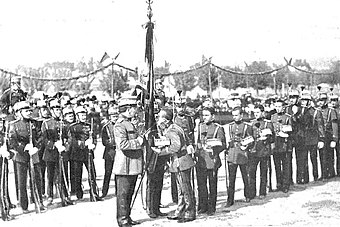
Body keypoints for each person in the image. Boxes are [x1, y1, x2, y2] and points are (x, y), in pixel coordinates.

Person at [152, 108, 196, 223]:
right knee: (181, 189)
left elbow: (176, 146)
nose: (158, 119)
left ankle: (189, 213)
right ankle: (180, 211)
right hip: (180, 161)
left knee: (185, 189)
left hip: (181, 162)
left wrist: (161, 151)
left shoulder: (172, 130)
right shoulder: (174, 127)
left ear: (166, 120)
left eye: (161, 117)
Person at [8, 101, 46, 213]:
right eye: (26, 111)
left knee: (37, 179)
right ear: (19, 112)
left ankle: (38, 201)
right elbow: (12, 141)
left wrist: (36, 148)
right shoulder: (14, 125)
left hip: (34, 155)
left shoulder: (35, 123)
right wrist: (23, 147)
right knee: (22, 181)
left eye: (30, 110)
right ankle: (24, 205)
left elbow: (41, 137)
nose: (29, 113)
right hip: (21, 156)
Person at [113, 96, 144, 227]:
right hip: (124, 166)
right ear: (128, 109)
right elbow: (123, 144)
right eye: (133, 108)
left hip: (132, 165)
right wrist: (139, 142)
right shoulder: (119, 125)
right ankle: (123, 220)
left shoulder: (131, 123)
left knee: (129, 193)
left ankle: (127, 216)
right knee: (123, 195)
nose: (135, 110)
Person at [40, 99, 74, 206]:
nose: (58, 111)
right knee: (50, 176)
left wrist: (65, 147)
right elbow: (44, 139)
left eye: (59, 109)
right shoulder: (46, 123)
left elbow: (70, 137)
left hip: (62, 153)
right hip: (50, 153)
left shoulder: (64, 123)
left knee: (63, 174)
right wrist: (54, 145)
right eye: (56, 109)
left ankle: (65, 195)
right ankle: (49, 196)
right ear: (51, 110)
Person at [67, 105, 102, 201]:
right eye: (80, 115)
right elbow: (72, 142)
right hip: (76, 153)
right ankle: (78, 193)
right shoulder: (72, 127)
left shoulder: (89, 125)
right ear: (77, 116)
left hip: (88, 153)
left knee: (92, 173)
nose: (83, 116)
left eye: (84, 114)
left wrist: (93, 144)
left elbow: (94, 137)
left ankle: (94, 193)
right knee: (77, 174)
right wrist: (83, 143)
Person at [195, 106, 226, 215]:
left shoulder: (218, 128)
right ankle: (202, 206)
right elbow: (197, 141)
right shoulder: (199, 127)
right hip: (201, 159)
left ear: (212, 116)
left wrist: (214, 148)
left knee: (212, 184)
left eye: (207, 115)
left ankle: (211, 207)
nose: (205, 117)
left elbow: (223, 145)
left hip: (212, 160)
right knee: (201, 185)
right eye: (203, 115)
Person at [225, 106, 253, 207]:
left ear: (241, 115)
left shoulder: (247, 126)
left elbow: (251, 139)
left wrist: (246, 145)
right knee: (231, 179)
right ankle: (230, 199)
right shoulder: (230, 126)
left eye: (236, 115)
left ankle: (247, 195)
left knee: (245, 176)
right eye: (233, 115)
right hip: (232, 154)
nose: (234, 117)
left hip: (242, 154)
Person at [248, 104, 273, 199]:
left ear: (263, 113)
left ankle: (262, 192)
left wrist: (267, 137)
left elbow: (273, 138)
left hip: (264, 151)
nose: (256, 114)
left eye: (258, 112)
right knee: (252, 173)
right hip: (254, 151)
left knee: (263, 172)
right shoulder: (251, 123)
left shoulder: (267, 123)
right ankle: (252, 193)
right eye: (255, 113)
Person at [299, 91, 325, 182]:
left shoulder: (315, 112)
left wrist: (321, 139)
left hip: (313, 138)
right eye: (302, 100)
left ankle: (315, 176)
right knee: (304, 159)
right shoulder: (300, 110)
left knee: (313, 158)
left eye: (305, 100)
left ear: (309, 101)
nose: (303, 102)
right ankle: (305, 178)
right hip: (303, 139)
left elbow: (320, 126)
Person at [271, 99, 293, 193]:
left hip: (285, 143)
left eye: (279, 106)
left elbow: (291, 130)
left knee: (285, 165)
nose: (277, 108)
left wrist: (285, 133)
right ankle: (279, 184)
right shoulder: (272, 117)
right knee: (277, 165)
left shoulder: (288, 117)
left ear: (283, 107)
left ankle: (285, 185)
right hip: (276, 144)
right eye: (276, 106)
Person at [317, 92, 338, 180]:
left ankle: (330, 173)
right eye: (320, 100)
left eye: (323, 100)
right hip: (320, 135)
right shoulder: (317, 111)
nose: (321, 102)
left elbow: (334, 125)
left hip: (328, 135)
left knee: (329, 155)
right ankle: (324, 173)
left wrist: (334, 139)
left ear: (326, 101)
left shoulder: (331, 111)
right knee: (322, 155)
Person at [100, 105, 119, 198]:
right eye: (113, 116)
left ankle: (118, 191)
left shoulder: (120, 125)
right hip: (109, 153)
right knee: (108, 173)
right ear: (110, 117)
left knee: (118, 174)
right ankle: (104, 192)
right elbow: (104, 141)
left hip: (119, 153)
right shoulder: (106, 127)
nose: (115, 118)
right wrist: (112, 143)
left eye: (116, 116)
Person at [329, 94, 340, 176]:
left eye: (335, 100)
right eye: (332, 100)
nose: (333, 102)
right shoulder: (330, 110)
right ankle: (331, 172)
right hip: (331, 135)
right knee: (330, 154)